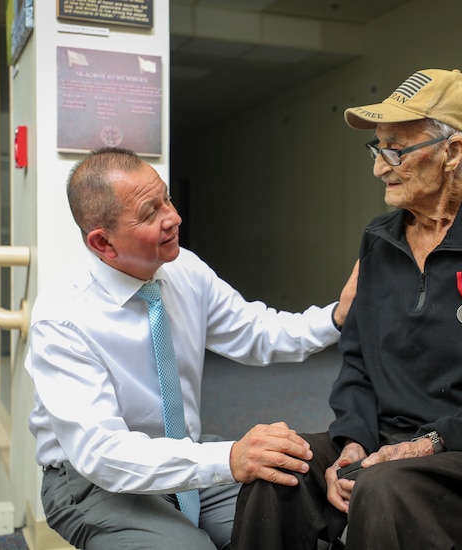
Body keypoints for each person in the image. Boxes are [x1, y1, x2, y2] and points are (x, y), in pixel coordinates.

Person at [231, 68, 462, 550]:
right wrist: (351, 440)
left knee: (383, 488)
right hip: (382, 438)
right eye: (377, 149)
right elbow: (357, 361)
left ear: (452, 153)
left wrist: (430, 442)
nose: (379, 167)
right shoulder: (380, 237)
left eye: (397, 150)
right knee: (277, 473)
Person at [25, 147, 358, 550]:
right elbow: (102, 454)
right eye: (150, 213)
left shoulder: (184, 269)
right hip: (93, 479)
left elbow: (257, 331)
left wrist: (336, 317)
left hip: (185, 453)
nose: (174, 217)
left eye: (167, 198)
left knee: (290, 528)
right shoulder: (62, 319)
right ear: (103, 243)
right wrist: (228, 459)